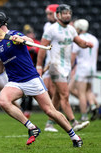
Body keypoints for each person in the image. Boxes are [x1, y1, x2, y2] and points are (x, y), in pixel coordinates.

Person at [0, 12, 84, 147]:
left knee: (50, 111)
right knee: (3, 101)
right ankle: (31, 127)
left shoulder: (15, 35)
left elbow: (30, 42)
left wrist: (20, 40)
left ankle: (75, 137)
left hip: (31, 79)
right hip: (15, 82)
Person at [36, 4, 92, 132]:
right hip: (55, 65)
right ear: (58, 15)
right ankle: (74, 122)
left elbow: (79, 42)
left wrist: (86, 44)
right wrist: (39, 66)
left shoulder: (71, 29)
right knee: (65, 95)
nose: (67, 15)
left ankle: (49, 124)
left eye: (69, 13)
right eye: (64, 13)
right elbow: (42, 48)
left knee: (57, 95)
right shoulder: (51, 29)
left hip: (66, 66)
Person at [70, 19, 101, 121]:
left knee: (81, 94)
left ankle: (84, 116)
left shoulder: (78, 39)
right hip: (92, 68)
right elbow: (96, 55)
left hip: (82, 68)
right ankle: (94, 106)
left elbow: (73, 56)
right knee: (88, 90)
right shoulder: (94, 38)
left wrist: (70, 68)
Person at [43, 4, 59, 132]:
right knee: (50, 91)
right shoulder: (47, 26)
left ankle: (52, 121)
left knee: (56, 93)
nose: (48, 16)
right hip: (49, 62)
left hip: (57, 63)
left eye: (50, 13)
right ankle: (53, 120)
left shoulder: (64, 28)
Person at [21, 24, 41, 118]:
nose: (30, 35)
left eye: (31, 33)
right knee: (23, 92)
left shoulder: (37, 43)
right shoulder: (22, 43)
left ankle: (28, 110)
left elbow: (40, 53)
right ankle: (23, 109)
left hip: (34, 69)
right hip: (23, 69)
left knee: (32, 92)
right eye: (28, 33)